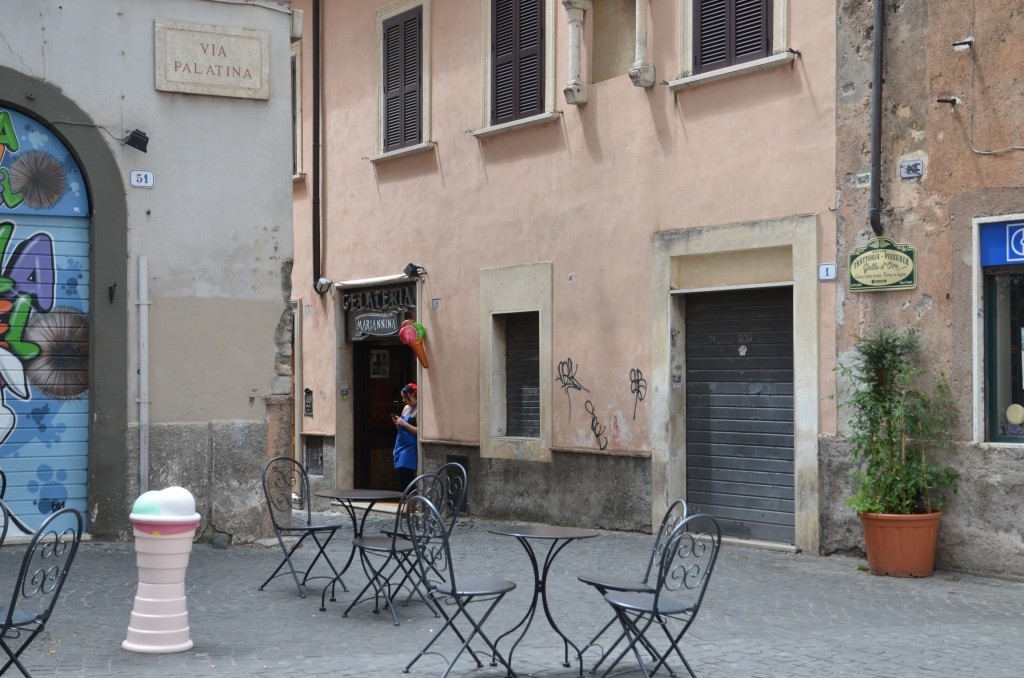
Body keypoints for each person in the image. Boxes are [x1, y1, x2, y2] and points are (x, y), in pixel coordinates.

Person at [391, 383, 418, 489]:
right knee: (402, 477)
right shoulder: (406, 408)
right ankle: (410, 503)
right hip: (400, 446)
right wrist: (397, 423)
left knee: (405, 477)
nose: (403, 400)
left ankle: (412, 504)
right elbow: (401, 428)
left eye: (404, 397)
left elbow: (418, 431)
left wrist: (404, 423)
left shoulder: (418, 410)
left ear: (412, 395)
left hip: (409, 449)